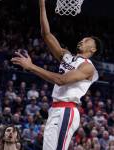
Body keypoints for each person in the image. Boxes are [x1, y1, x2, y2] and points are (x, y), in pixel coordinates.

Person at [11, 0, 102, 149]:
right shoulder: (67, 56)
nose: (82, 40)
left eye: (86, 41)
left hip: (67, 110)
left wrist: (31, 66)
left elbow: (61, 80)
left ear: (93, 49)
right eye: (82, 39)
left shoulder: (88, 67)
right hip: (55, 109)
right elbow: (46, 35)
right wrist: (42, 5)